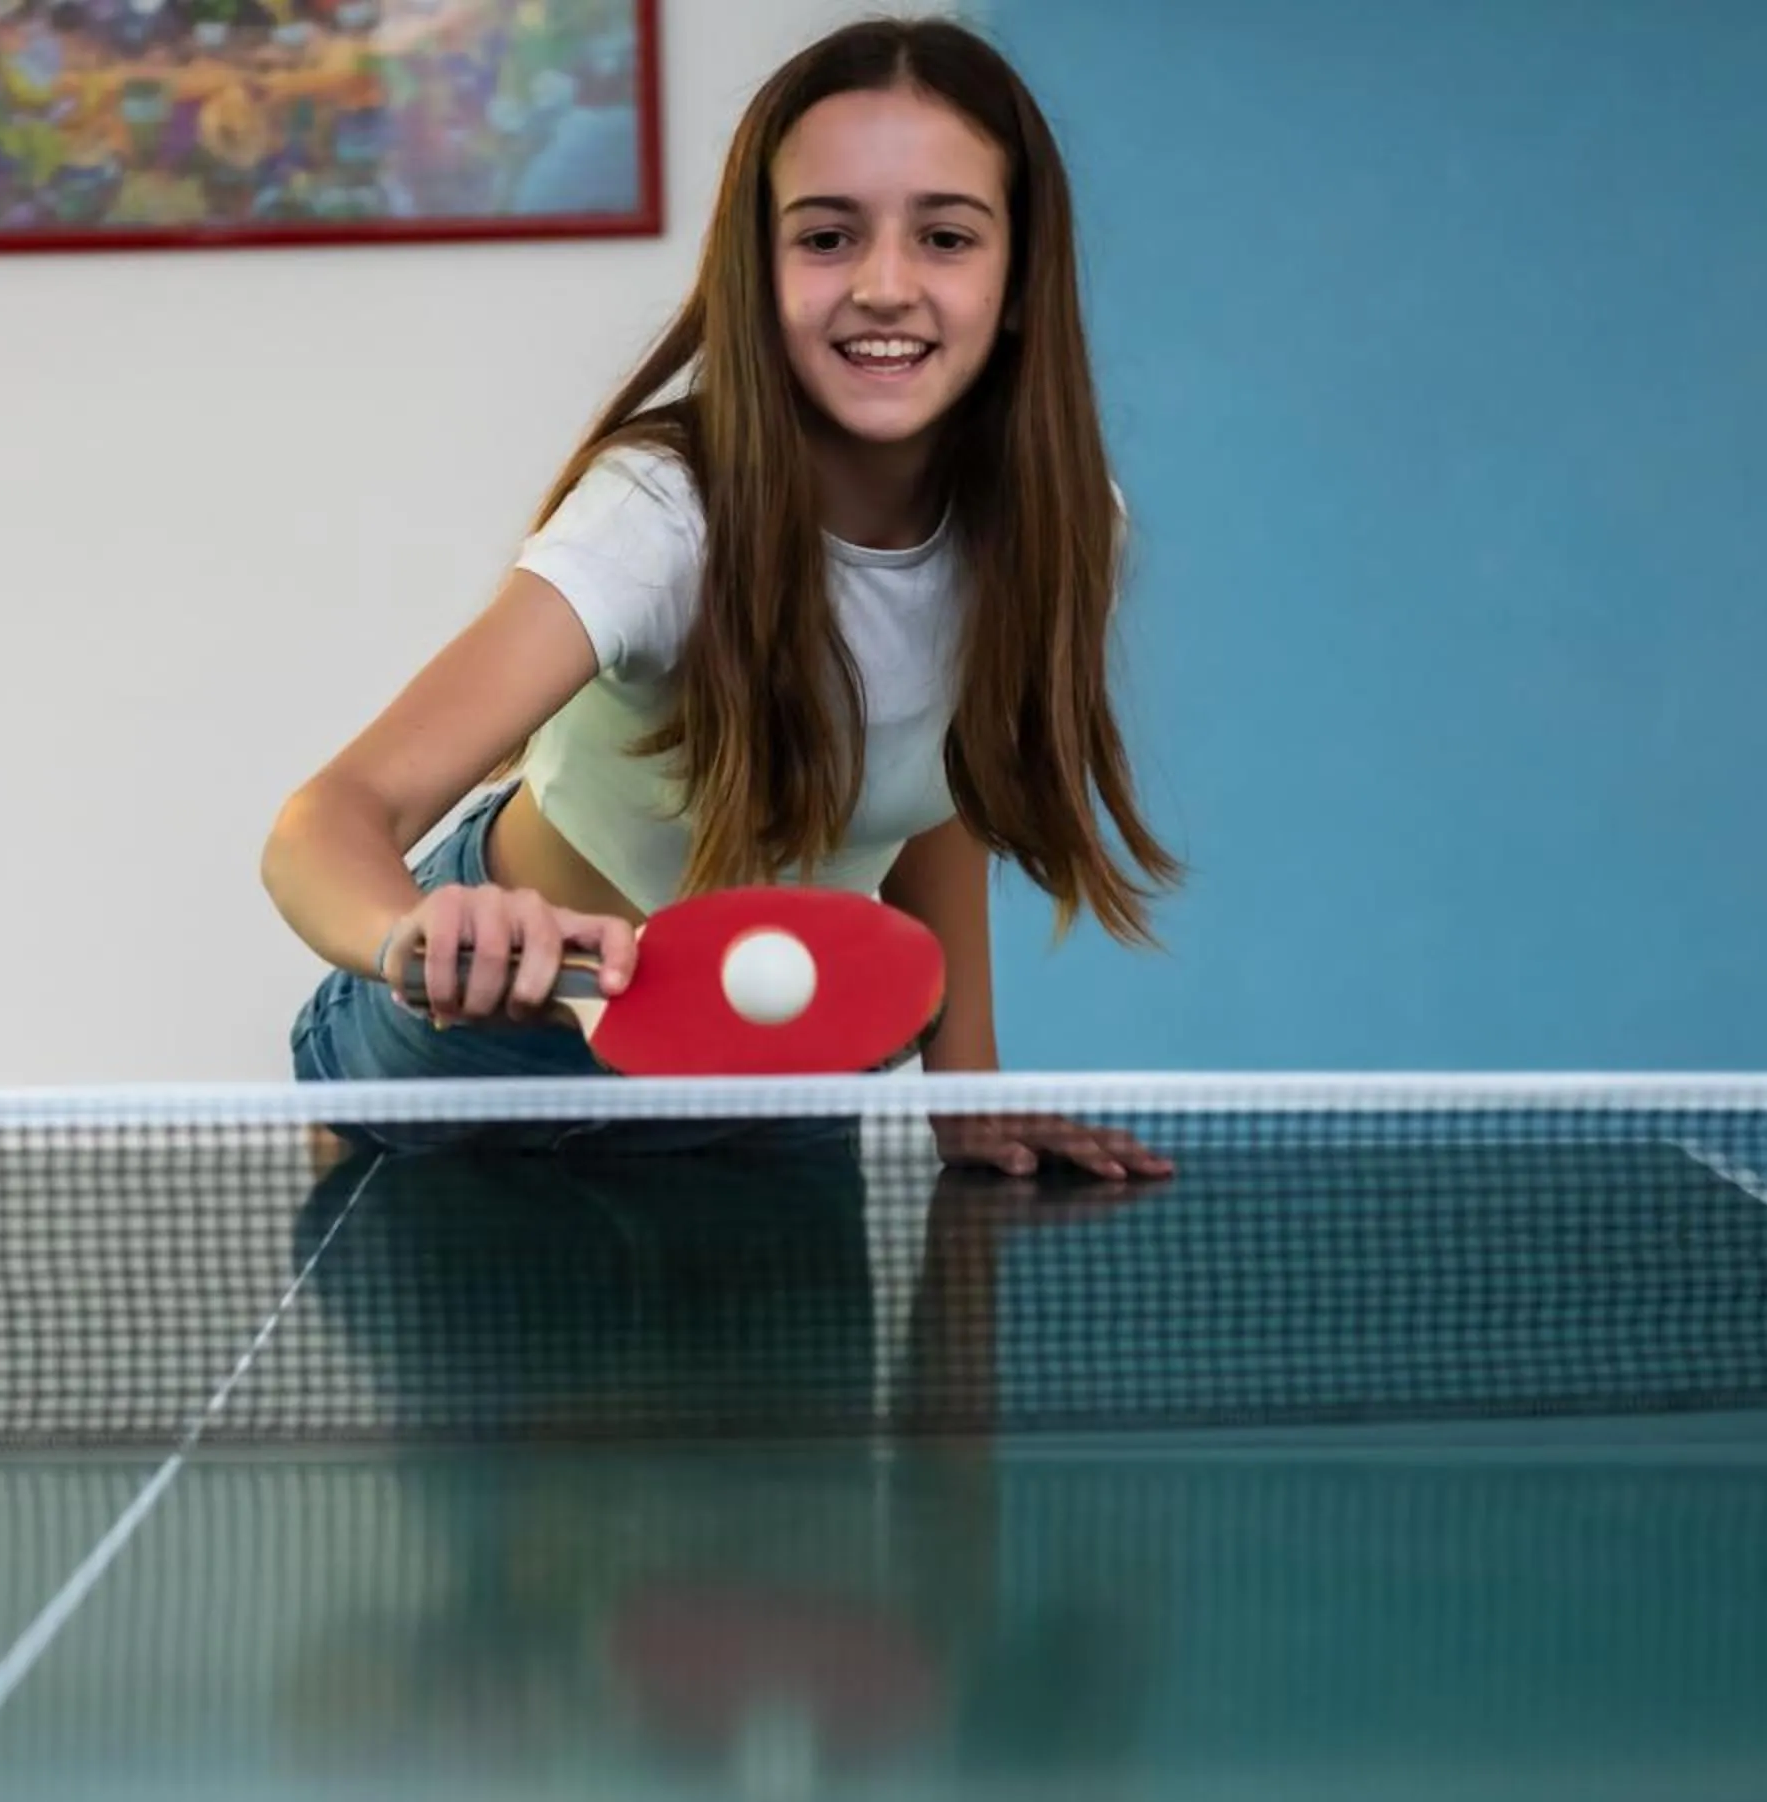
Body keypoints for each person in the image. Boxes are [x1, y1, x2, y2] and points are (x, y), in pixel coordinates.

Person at [263, 15, 1176, 1177]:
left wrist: (967, 1089)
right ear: (759, 270)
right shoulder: (661, 515)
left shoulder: (1058, 527)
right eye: (828, 237)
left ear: (1016, 280)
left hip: (781, 1053)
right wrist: (419, 931)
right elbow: (324, 819)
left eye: (946, 237)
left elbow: (929, 775)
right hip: (498, 1044)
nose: (885, 286)